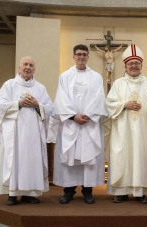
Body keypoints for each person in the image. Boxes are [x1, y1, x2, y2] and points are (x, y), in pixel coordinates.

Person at [105, 44, 147, 204]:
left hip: (143, 132)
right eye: (130, 63)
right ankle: (121, 192)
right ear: (125, 65)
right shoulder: (118, 84)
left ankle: (142, 191)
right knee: (122, 157)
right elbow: (109, 103)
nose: (134, 66)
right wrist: (125, 105)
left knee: (141, 156)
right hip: (123, 131)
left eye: (136, 63)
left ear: (141, 65)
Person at [0, 56, 53, 206]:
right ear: (19, 67)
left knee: (32, 160)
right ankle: (13, 194)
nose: (28, 67)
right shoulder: (9, 85)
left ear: (34, 69)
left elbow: (49, 108)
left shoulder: (40, 88)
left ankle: (30, 193)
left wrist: (37, 105)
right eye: (25, 65)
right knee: (15, 160)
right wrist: (18, 104)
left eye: (31, 65)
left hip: (33, 134)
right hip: (15, 133)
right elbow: (0, 104)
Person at [53, 44, 108, 204]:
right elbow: (61, 99)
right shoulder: (65, 76)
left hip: (89, 124)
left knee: (88, 158)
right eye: (78, 54)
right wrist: (73, 116)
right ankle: (68, 191)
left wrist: (88, 116)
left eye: (84, 54)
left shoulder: (96, 77)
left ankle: (87, 191)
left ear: (88, 57)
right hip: (71, 124)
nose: (81, 57)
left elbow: (99, 98)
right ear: (73, 56)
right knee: (70, 158)